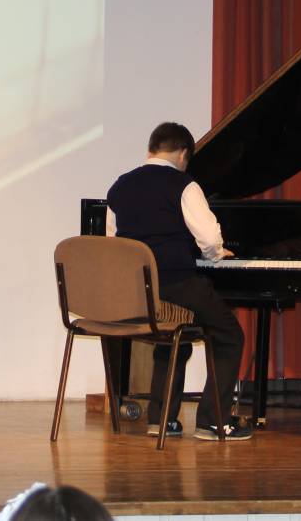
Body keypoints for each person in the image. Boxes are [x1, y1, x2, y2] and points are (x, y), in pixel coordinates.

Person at [104, 121, 251, 441]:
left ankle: (161, 419)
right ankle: (213, 421)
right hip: (176, 285)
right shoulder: (184, 185)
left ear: (152, 149)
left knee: (175, 334)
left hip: (138, 291)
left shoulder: (119, 187)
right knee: (229, 335)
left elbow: (114, 243)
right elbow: (208, 238)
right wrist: (216, 255)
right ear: (183, 154)